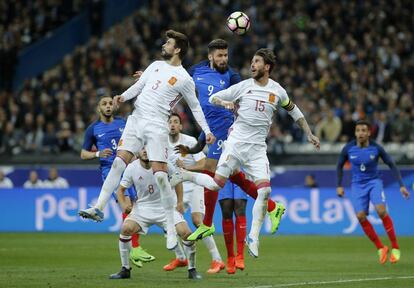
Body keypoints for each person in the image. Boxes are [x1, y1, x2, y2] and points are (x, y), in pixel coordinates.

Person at [171, 48, 320, 257]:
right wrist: (226, 103)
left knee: (265, 191)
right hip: (236, 144)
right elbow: (214, 98)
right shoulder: (242, 87)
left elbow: (294, 110)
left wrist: (309, 133)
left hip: (258, 149)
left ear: (267, 67)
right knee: (216, 183)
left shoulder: (277, 91)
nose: (252, 65)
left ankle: (254, 238)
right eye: (252, 61)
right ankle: (185, 175)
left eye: (257, 62)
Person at [79, 30, 214, 251]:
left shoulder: (185, 79)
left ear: (177, 49)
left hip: (155, 125)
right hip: (136, 119)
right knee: (117, 162)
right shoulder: (154, 65)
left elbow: (195, 107)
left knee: (161, 176)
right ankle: (99, 207)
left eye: (168, 43)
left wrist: (206, 130)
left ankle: (171, 227)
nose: (164, 45)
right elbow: (139, 87)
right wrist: (123, 96)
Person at [185, 40, 285, 253]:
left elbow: (245, 92)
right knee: (236, 177)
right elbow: (179, 83)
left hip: (226, 126)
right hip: (210, 127)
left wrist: (233, 104)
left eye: (226, 55)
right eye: (220, 56)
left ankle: (206, 224)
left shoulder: (232, 76)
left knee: (211, 169)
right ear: (210, 56)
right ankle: (273, 207)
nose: (224, 60)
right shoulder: (196, 71)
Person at [80, 95, 154, 266]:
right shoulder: (93, 129)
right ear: (99, 108)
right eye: (104, 104)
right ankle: (135, 248)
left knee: (136, 205)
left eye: (109, 103)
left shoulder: (123, 122)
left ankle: (131, 255)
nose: (107, 106)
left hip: (130, 168)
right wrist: (98, 153)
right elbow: (83, 154)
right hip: (110, 171)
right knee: (127, 206)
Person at [110, 148, 202, 280]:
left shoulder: (164, 164)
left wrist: (180, 202)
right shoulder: (131, 168)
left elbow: (179, 180)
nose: (145, 151)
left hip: (166, 208)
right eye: (142, 149)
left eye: (148, 148)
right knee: (125, 229)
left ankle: (192, 269)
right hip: (142, 209)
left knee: (186, 233)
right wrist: (123, 204)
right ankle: (125, 269)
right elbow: (120, 190)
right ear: (138, 152)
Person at [336, 119, 410, 264]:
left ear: (369, 133)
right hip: (357, 185)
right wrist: (339, 185)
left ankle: (395, 247)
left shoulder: (376, 148)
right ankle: (381, 248)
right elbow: (339, 166)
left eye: (363, 130)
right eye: (358, 131)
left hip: (374, 182)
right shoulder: (348, 148)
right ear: (355, 133)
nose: (360, 133)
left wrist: (401, 185)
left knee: (381, 211)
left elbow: (391, 164)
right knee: (360, 216)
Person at [164, 113, 224, 274]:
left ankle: (217, 260)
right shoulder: (162, 143)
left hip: (194, 184)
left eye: (176, 122)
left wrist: (186, 167)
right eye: (170, 122)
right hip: (175, 187)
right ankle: (180, 256)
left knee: (198, 221)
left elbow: (204, 163)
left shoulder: (190, 141)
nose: (172, 125)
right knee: (168, 220)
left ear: (181, 126)